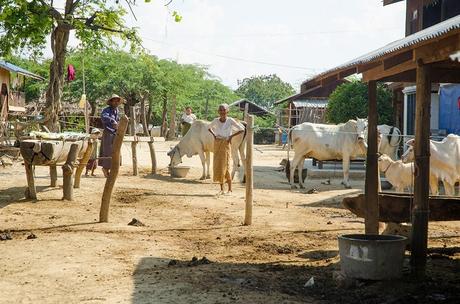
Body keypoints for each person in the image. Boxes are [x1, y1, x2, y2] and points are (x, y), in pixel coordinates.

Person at [208, 104, 245, 194]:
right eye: (220, 110)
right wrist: (214, 136)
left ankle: (230, 189)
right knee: (219, 165)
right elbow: (208, 128)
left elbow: (241, 129)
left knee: (226, 165)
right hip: (217, 143)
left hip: (226, 143)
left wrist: (230, 136)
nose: (222, 112)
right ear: (218, 112)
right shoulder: (216, 120)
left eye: (224, 110)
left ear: (227, 111)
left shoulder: (230, 120)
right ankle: (221, 189)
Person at [99, 94, 123, 178]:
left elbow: (119, 121)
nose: (116, 102)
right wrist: (112, 121)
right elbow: (103, 117)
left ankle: (114, 169)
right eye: (114, 100)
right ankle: (105, 168)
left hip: (116, 133)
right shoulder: (106, 110)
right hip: (108, 133)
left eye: (117, 100)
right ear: (111, 102)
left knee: (116, 151)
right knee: (108, 151)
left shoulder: (117, 111)